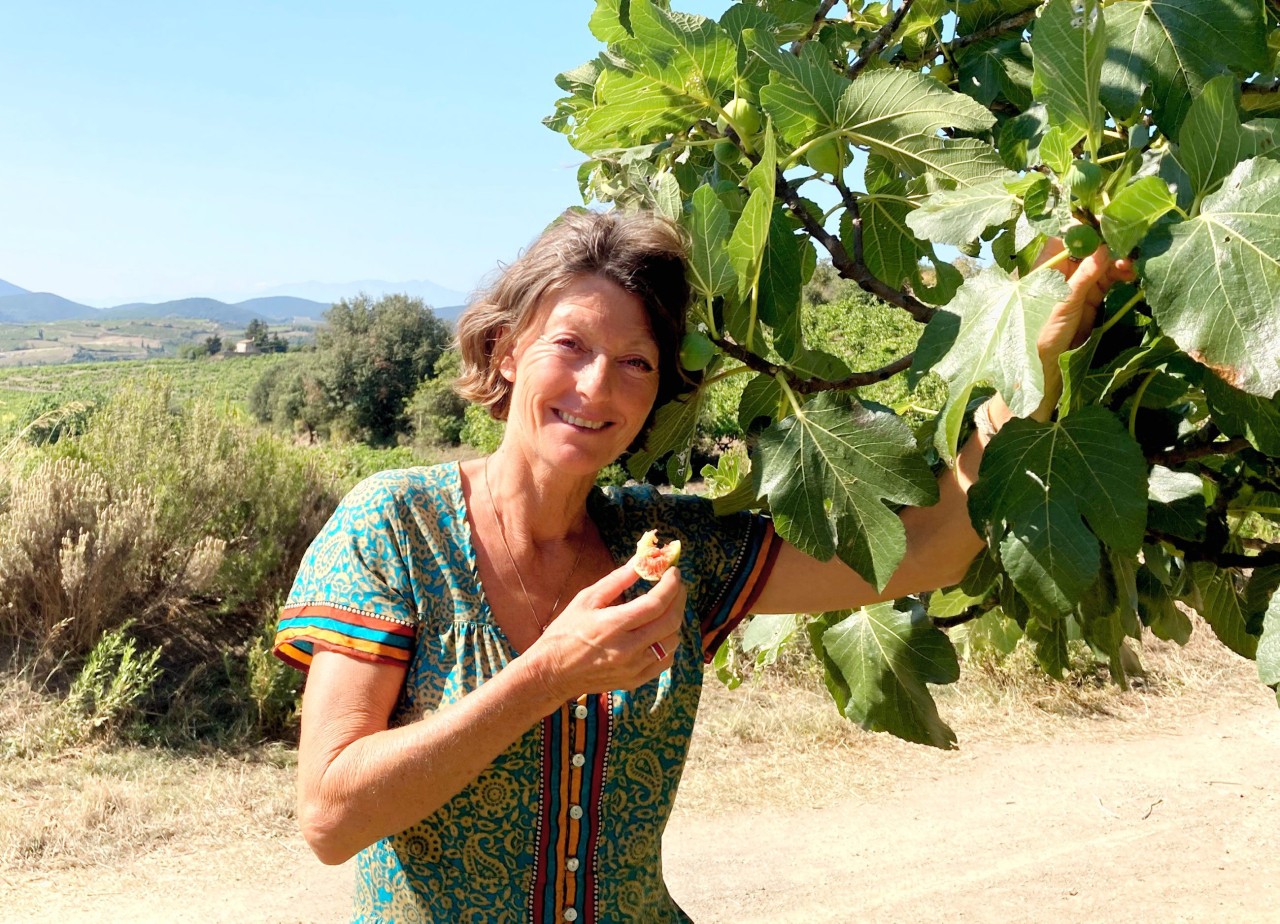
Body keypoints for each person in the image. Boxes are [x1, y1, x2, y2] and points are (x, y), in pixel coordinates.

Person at [272, 208, 1133, 922]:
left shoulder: (677, 548)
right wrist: (550, 674)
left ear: (659, 393)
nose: (598, 386)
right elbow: (330, 816)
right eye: (569, 345)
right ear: (503, 350)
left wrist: (1035, 359)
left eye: (636, 362)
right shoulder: (393, 526)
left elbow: (931, 547)